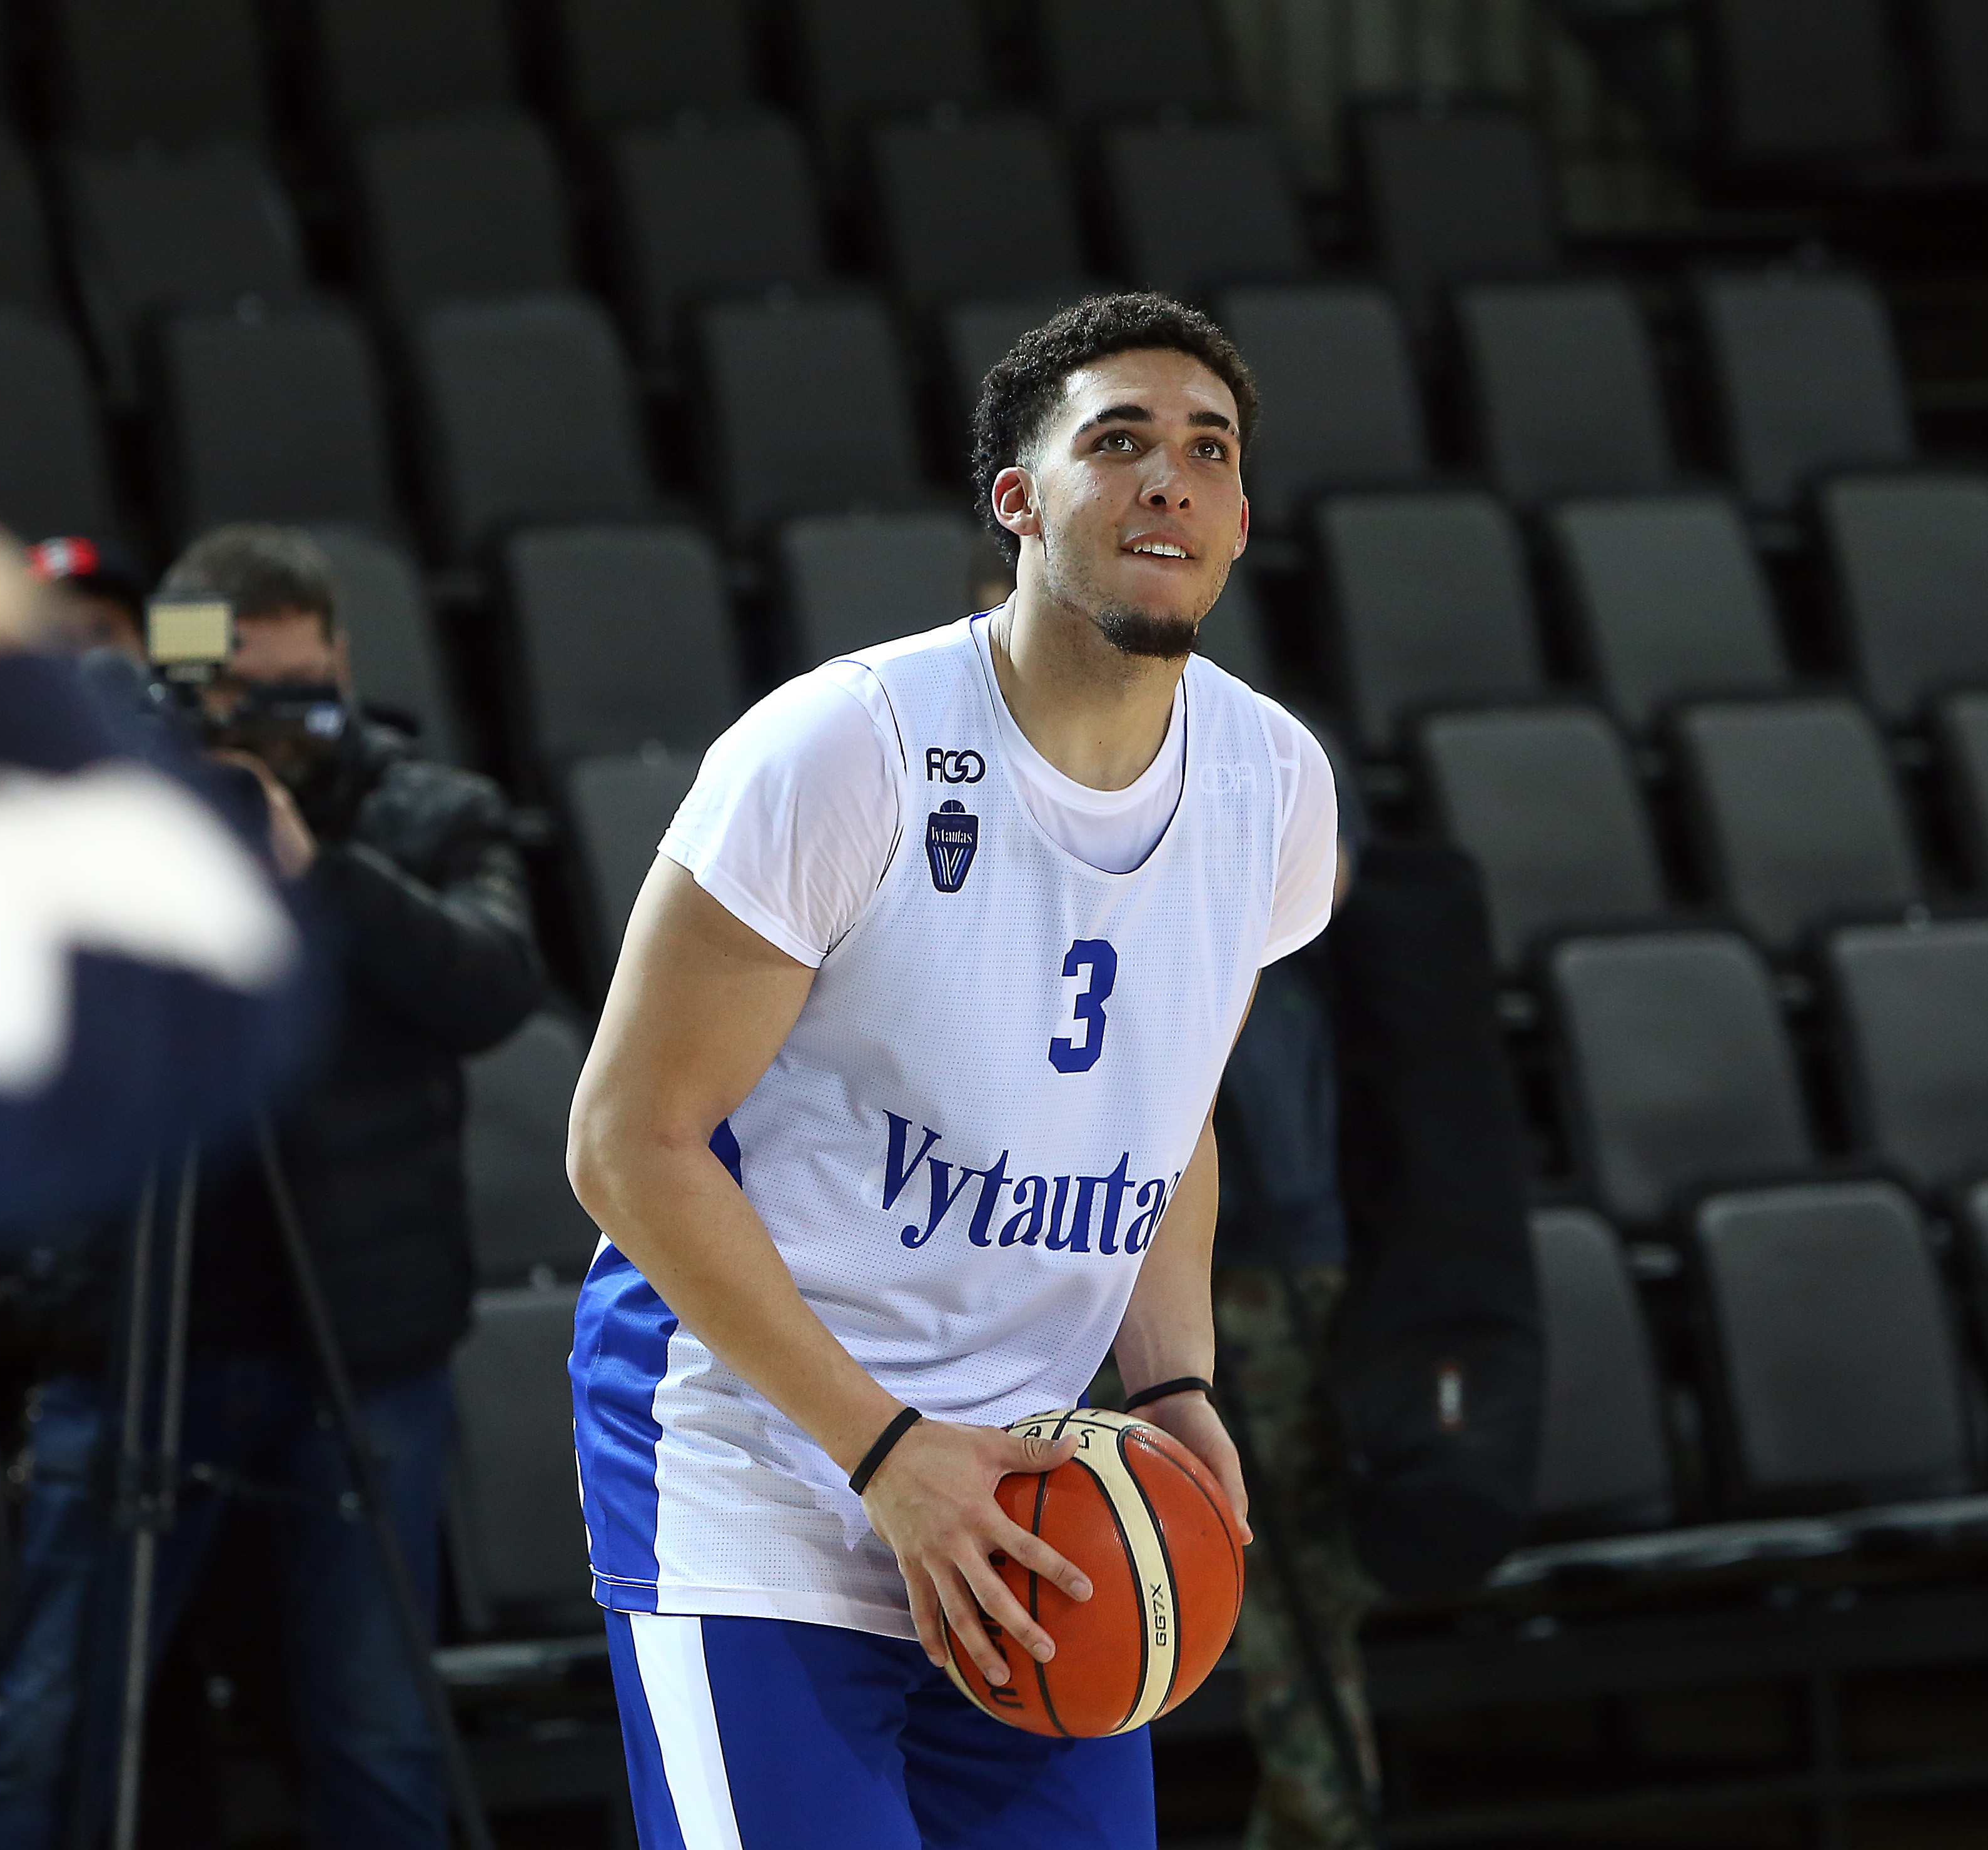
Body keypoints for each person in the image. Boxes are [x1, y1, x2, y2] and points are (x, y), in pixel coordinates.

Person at [568, 293, 1340, 1849]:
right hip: (764, 1466)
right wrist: (883, 1453)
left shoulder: (1275, 788)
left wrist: (1174, 1380)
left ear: (1244, 517)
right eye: (1116, 443)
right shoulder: (844, 750)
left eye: (1208, 451)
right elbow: (625, 1144)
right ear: (1019, 499)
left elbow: (1166, 1120)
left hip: (1033, 1489)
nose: (1169, 481)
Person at [0, 524, 545, 1850]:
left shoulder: (426, 811)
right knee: (54, 1721)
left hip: (359, 1342)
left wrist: (313, 873)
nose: (265, 727)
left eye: (291, 694)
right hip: (132, 1337)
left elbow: (493, 983)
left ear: (338, 659)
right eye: (232, 698)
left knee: (372, 1725)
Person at [0, 445, 306, 1254]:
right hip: (83, 1270)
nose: (90, 663)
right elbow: (201, 974)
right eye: (58, 639)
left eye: (103, 633)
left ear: (154, 645)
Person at [1211, 938, 1381, 1850]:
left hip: (1273, 1249)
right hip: (1063, 1236)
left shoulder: (1272, 796)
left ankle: (1319, 1821)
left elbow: (1327, 883)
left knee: (1295, 1575)